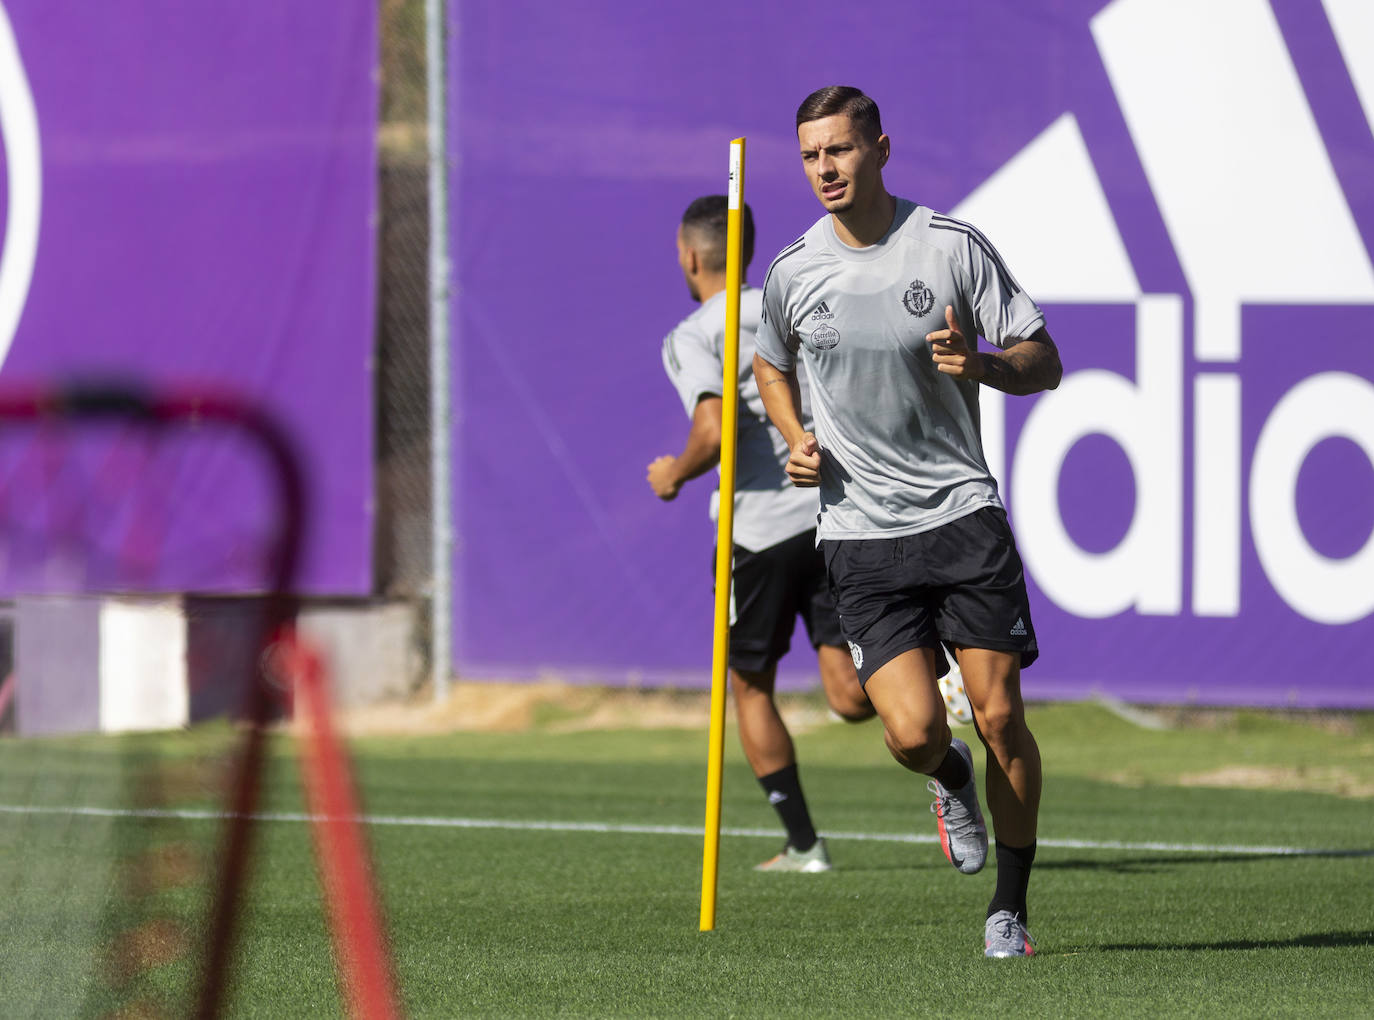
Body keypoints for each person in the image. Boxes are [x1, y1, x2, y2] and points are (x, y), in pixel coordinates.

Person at [751, 87, 1062, 957]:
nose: (826, 170)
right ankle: (947, 775)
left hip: (963, 514)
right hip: (858, 531)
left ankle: (1009, 908)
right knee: (916, 732)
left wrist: (986, 365)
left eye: (841, 151)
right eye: (812, 156)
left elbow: (1046, 361)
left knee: (1000, 716)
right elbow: (770, 361)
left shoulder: (952, 246)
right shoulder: (791, 270)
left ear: (880, 149)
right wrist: (794, 437)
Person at [647, 194, 877, 873]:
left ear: (690, 257)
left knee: (748, 685)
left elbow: (714, 431)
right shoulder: (791, 305)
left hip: (760, 533)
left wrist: (674, 474)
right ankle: (933, 679)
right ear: (747, 251)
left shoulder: (695, 333)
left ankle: (805, 846)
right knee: (849, 694)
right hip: (834, 514)